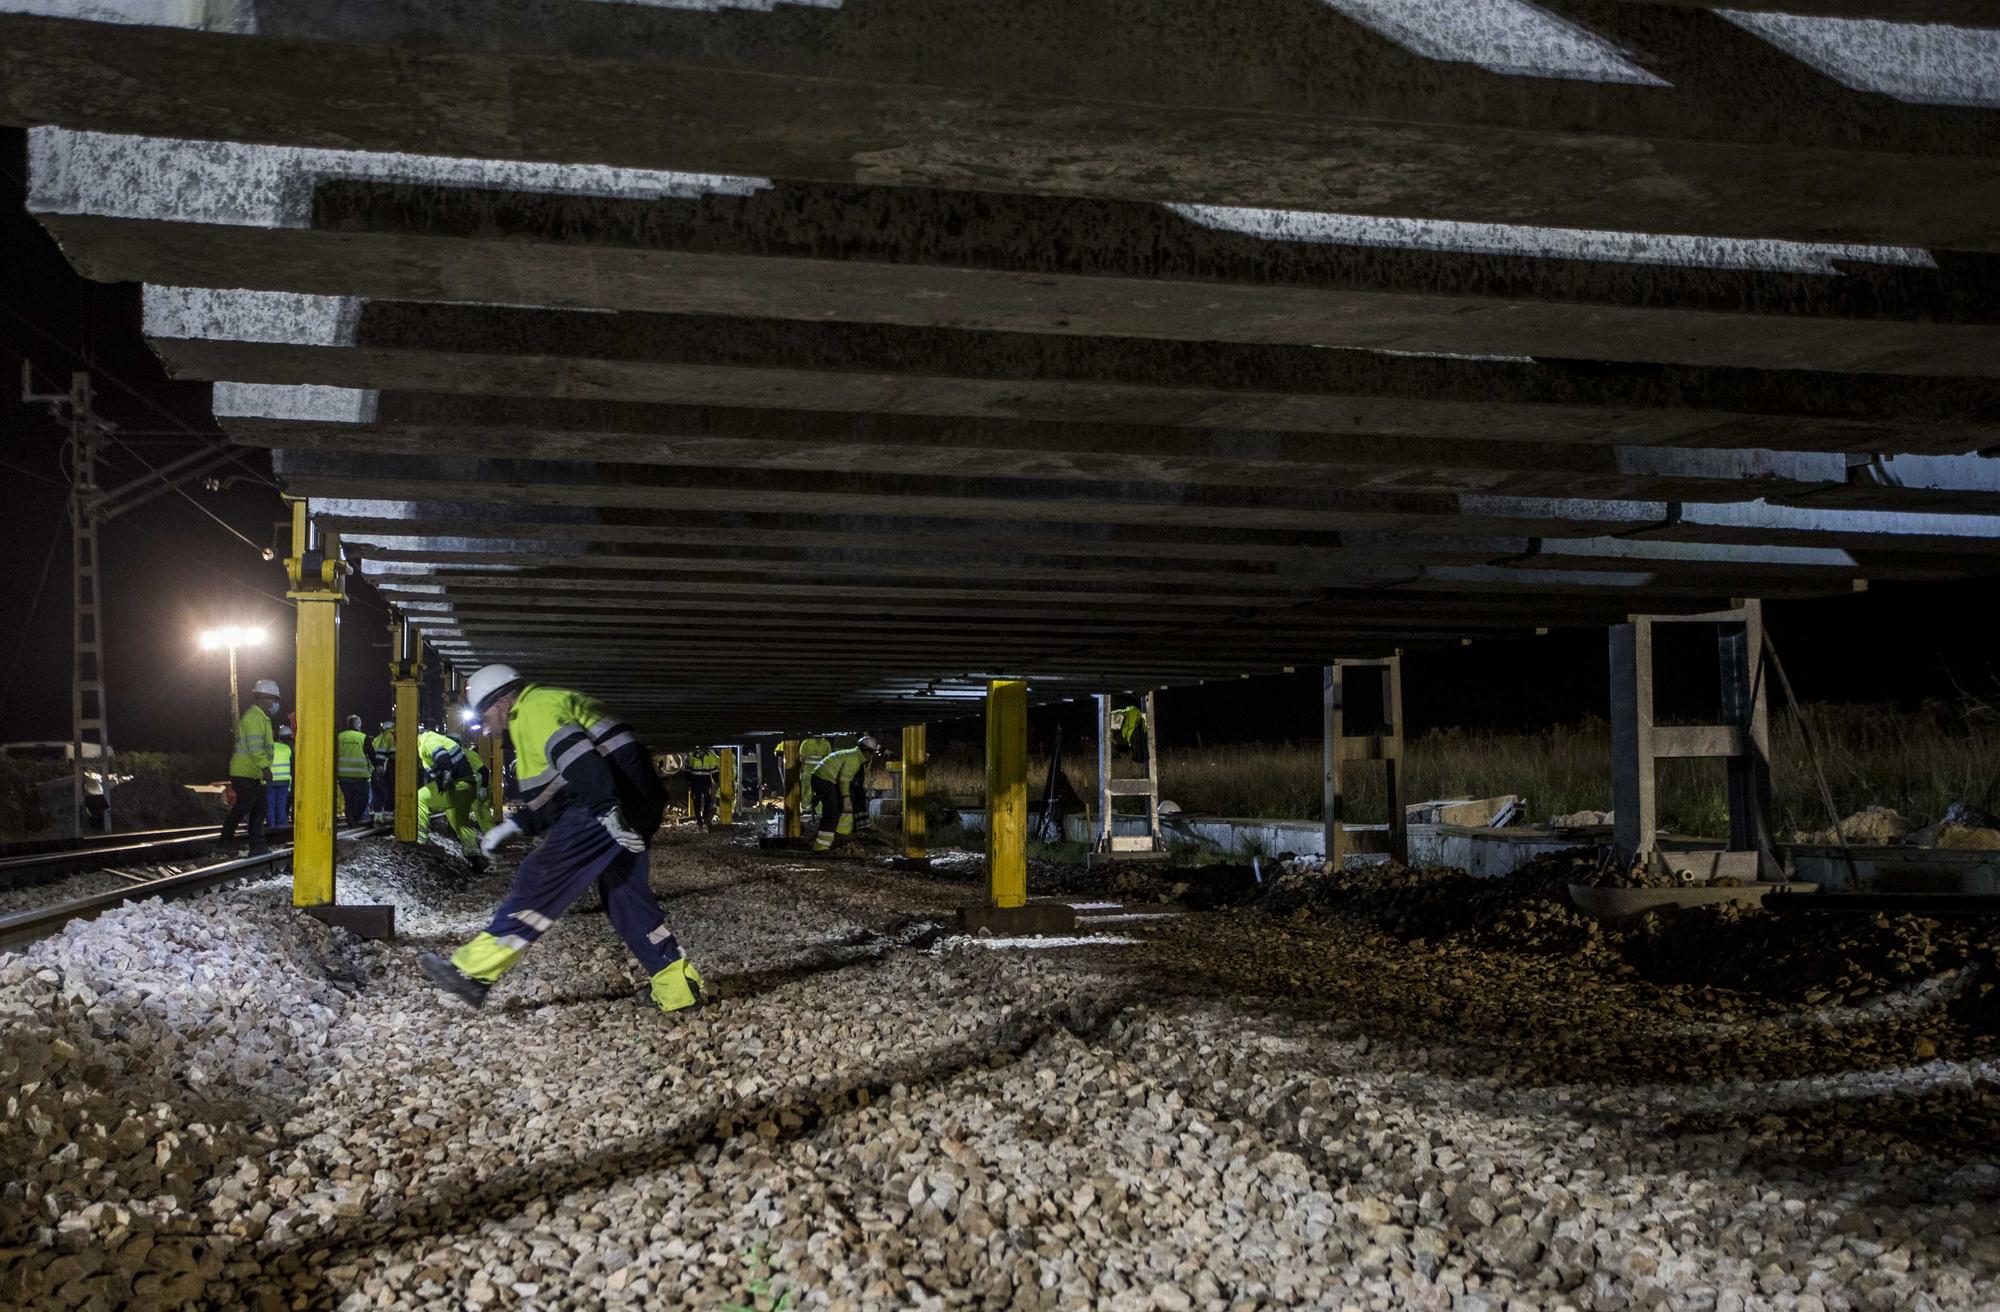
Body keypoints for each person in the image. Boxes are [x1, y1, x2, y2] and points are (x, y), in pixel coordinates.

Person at [420, 665, 702, 1014]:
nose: (483, 726)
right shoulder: (541, 710)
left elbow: (579, 759)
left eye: (484, 714)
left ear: (504, 700)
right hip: (631, 797)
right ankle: (678, 989)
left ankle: (473, 973)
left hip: (610, 800)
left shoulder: (533, 710)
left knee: (541, 875)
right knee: (624, 895)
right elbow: (556, 797)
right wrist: (514, 826)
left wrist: (606, 811)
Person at [220, 678, 280, 853]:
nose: (276, 704)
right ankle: (224, 843)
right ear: (265, 698)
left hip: (252, 774)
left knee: (258, 808)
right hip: (245, 773)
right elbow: (255, 747)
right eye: (275, 700)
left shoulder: (262, 718)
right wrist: (265, 767)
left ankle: (257, 845)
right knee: (244, 807)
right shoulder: (254, 718)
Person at [417, 725, 486, 868]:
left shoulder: (427, 740)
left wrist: (446, 778)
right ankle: (475, 857)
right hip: (468, 786)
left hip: (457, 785)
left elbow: (442, 757)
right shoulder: (436, 739)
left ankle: (421, 840)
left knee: (419, 797)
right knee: (461, 823)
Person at [809, 735, 880, 852]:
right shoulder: (854, 759)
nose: (872, 757)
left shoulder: (854, 755)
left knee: (835, 809)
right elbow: (844, 780)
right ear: (867, 752)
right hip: (824, 778)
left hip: (823, 776)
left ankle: (833, 840)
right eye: (872, 753)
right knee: (832, 812)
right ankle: (821, 847)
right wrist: (846, 798)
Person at [336, 714, 373, 826]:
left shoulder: (339, 737)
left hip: (343, 775)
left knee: (349, 800)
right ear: (358, 724)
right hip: (359, 775)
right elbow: (371, 753)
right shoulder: (362, 737)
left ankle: (352, 822)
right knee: (363, 799)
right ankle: (354, 820)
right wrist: (378, 766)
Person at [368, 719, 396, 821]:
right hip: (392, 766)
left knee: (384, 792)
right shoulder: (400, 733)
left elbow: (379, 754)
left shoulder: (381, 738)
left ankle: (381, 813)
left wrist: (378, 766)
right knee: (388, 792)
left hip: (382, 768)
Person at [265, 723, 294, 827]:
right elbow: (292, 763)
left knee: (270, 805)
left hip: (270, 781)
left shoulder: (266, 749)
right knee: (281, 805)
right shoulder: (286, 748)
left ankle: (272, 826)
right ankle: (282, 825)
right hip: (284, 781)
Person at [686, 746, 721, 828]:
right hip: (696, 782)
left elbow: (714, 770)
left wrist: (716, 781)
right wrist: (688, 782)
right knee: (696, 801)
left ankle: (705, 817)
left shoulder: (709, 757)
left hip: (706, 781)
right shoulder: (692, 757)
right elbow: (687, 770)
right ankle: (699, 820)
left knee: (708, 799)